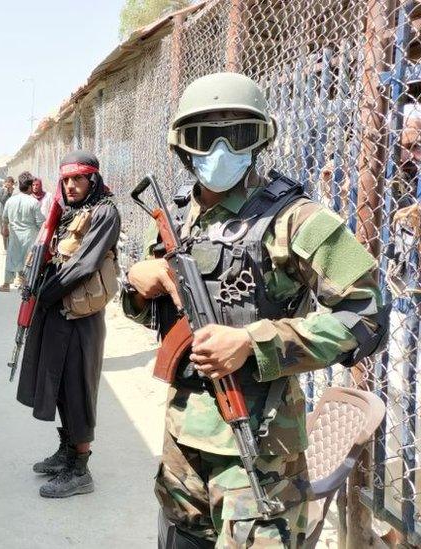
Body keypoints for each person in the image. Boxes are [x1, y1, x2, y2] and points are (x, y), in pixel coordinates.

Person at [120, 72, 389, 547]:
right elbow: (157, 321)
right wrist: (140, 286)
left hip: (260, 444)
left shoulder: (297, 219)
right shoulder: (175, 218)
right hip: (184, 434)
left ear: (260, 139)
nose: (221, 150)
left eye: (237, 134)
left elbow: (366, 315)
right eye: (206, 137)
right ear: (183, 147)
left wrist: (253, 342)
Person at [16, 152, 120, 499]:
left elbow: (84, 264)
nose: (72, 185)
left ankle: (81, 468)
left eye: (79, 179)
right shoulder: (63, 212)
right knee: (58, 385)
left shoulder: (105, 212)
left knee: (78, 389)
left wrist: (45, 292)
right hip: (56, 313)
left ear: (93, 180)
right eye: (66, 180)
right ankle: (67, 451)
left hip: (80, 318)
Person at [0, 173, 45, 292]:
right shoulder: (34, 202)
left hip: (14, 235)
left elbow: (4, 217)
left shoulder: (11, 200)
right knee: (28, 260)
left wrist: (4, 228)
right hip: (30, 235)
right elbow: (40, 222)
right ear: (30, 187)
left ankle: (6, 284)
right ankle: (26, 284)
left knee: (11, 258)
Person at [0, 176, 15, 250]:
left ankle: (10, 247)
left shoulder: (14, 191)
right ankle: (6, 248)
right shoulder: (2, 190)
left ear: (12, 183)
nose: (8, 183)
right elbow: (2, 201)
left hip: (12, 214)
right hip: (3, 214)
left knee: (12, 231)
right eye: (7, 182)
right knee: (4, 230)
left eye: (10, 182)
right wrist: (6, 192)